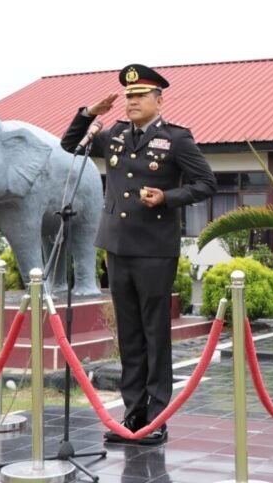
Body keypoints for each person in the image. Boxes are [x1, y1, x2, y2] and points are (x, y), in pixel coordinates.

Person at [60, 64, 217, 445]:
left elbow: (206, 183)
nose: (131, 102)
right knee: (129, 336)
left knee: (154, 334)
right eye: (127, 97)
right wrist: (89, 113)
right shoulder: (112, 135)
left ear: (158, 100)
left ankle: (157, 418)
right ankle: (132, 416)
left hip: (154, 250)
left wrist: (168, 197)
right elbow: (68, 145)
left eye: (139, 96)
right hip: (118, 247)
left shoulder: (176, 139)